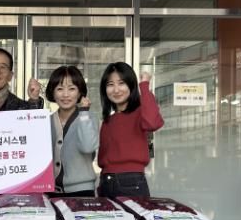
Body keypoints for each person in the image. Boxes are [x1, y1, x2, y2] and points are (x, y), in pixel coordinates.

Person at [97, 62, 164, 199]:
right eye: (110, 84)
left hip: (131, 181)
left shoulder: (140, 113)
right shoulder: (108, 121)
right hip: (106, 181)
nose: (116, 90)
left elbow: (152, 123)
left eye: (121, 83)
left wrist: (144, 85)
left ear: (131, 85)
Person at [33, 65, 98, 197]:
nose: (66, 94)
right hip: (51, 192)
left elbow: (88, 147)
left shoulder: (88, 118)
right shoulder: (46, 121)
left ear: (80, 93)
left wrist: (84, 112)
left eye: (72, 89)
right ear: (53, 92)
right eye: (60, 89)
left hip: (82, 192)